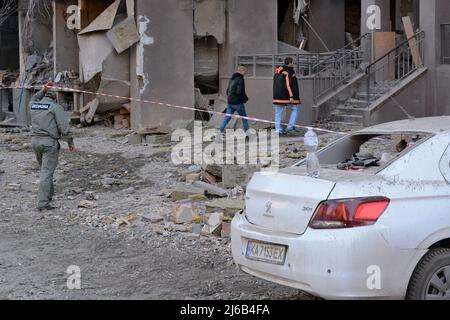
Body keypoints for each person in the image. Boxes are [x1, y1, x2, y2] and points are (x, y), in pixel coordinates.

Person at [30, 83, 76, 211]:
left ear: (44, 95)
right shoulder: (55, 107)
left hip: (35, 142)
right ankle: (43, 203)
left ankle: (48, 195)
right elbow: (64, 127)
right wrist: (70, 142)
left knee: (44, 170)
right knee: (46, 172)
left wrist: (42, 90)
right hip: (49, 143)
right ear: (55, 97)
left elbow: (33, 98)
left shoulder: (34, 104)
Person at [216, 66, 250, 139]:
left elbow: (227, 90)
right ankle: (248, 135)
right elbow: (240, 91)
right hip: (238, 103)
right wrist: (245, 99)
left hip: (230, 102)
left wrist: (230, 98)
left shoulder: (232, 78)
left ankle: (218, 134)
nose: (245, 73)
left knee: (226, 118)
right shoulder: (240, 79)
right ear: (242, 71)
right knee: (244, 119)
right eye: (245, 71)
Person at [273, 57, 302, 135]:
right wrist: (291, 96)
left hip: (277, 95)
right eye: (293, 62)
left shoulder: (277, 71)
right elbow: (288, 84)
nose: (294, 64)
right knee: (295, 109)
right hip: (286, 95)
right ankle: (290, 127)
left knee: (278, 113)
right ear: (290, 63)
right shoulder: (289, 71)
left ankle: (278, 130)